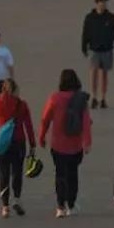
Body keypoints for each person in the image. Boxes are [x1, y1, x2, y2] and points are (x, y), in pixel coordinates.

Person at [38, 69, 92, 217]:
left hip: (57, 144)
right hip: (75, 145)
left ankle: (60, 206)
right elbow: (86, 122)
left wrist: (41, 137)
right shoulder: (80, 99)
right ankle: (71, 205)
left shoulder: (54, 98)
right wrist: (87, 142)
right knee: (73, 174)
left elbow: (45, 119)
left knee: (60, 174)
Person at [0, 80, 36, 218]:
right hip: (18, 142)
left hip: (2, 144)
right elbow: (28, 126)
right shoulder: (22, 105)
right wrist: (33, 144)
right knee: (17, 172)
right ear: (15, 90)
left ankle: (5, 207)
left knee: (4, 173)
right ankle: (16, 199)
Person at [81, 0, 114, 109]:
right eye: (101, 2)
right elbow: (85, 33)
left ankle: (103, 97)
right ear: (97, 3)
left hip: (107, 49)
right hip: (94, 50)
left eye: (105, 2)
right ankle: (94, 96)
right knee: (93, 73)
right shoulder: (90, 17)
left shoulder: (111, 17)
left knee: (104, 74)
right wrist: (84, 47)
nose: (103, 4)